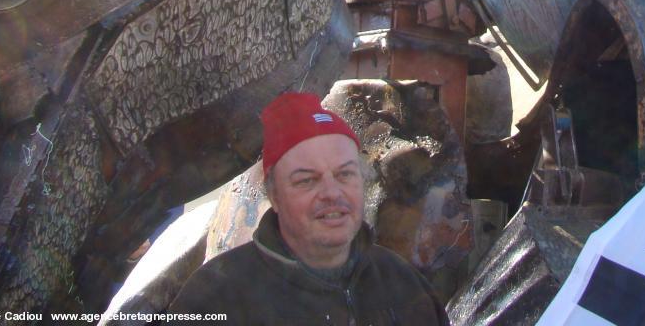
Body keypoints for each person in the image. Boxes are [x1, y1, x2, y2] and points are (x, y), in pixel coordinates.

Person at [170, 92, 449, 325]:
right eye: (307, 180)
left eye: (344, 175)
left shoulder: (405, 286)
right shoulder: (213, 297)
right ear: (274, 195)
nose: (331, 193)